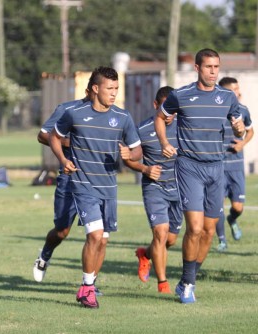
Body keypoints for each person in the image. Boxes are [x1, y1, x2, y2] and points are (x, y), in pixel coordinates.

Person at [155, 48, 245, 304]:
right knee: (194, 228)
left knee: (208, 231)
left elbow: (238, 129)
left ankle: (187, 280)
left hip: (217, 167)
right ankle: (188, 284)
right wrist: (163, 142)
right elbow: (160, 118)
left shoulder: (227, 97)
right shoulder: (180, 95)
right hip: (189, 166)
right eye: (208, 67)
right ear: (197, 68)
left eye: (216, 66)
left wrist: (238, 128)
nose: (213, 71)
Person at [50, 66, 141, 308]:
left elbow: (138, 148)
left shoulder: (123, 117)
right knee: (95, 235)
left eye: (116, 89)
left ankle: (87, 285)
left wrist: (129, 153)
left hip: (109, 187)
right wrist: (63, 160)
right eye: (109, 89)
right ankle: (88, 287)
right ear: (95, 89)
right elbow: (53, 136)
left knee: (103, 241)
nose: (113, 93)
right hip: (83, 184)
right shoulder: (75, 113)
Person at [122, 86, 180, 294]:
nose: (170, 114)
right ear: (156, 106)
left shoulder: (185, 125)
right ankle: (163, 283)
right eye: (166, 108)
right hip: (154, 187)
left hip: (180, 188)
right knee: (160, 233)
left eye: (173, 109)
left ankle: (145, 254)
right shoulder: (143, 130)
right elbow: (128, 158)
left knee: (170, 239)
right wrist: (145, 169)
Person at [32, 92, 88, 283]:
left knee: (97, 235)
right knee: (62, 230)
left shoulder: (111, 115)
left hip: (97, 180)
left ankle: (89, 283)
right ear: (90, 91)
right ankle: (45, 255)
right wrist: (70, 142)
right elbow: (43, 135)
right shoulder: (67, 109)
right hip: (70, 177)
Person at [214, 77, 253, 252]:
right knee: (217, 206)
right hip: (218, 167)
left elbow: (250, 131)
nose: (239, 92)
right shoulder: (214, 111)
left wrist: (242, 144)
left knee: (238, 207)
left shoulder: (243, 110)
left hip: (236, 167)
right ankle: (222, 240)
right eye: (235, 89)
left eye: (238, 89)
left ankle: (232, 219)